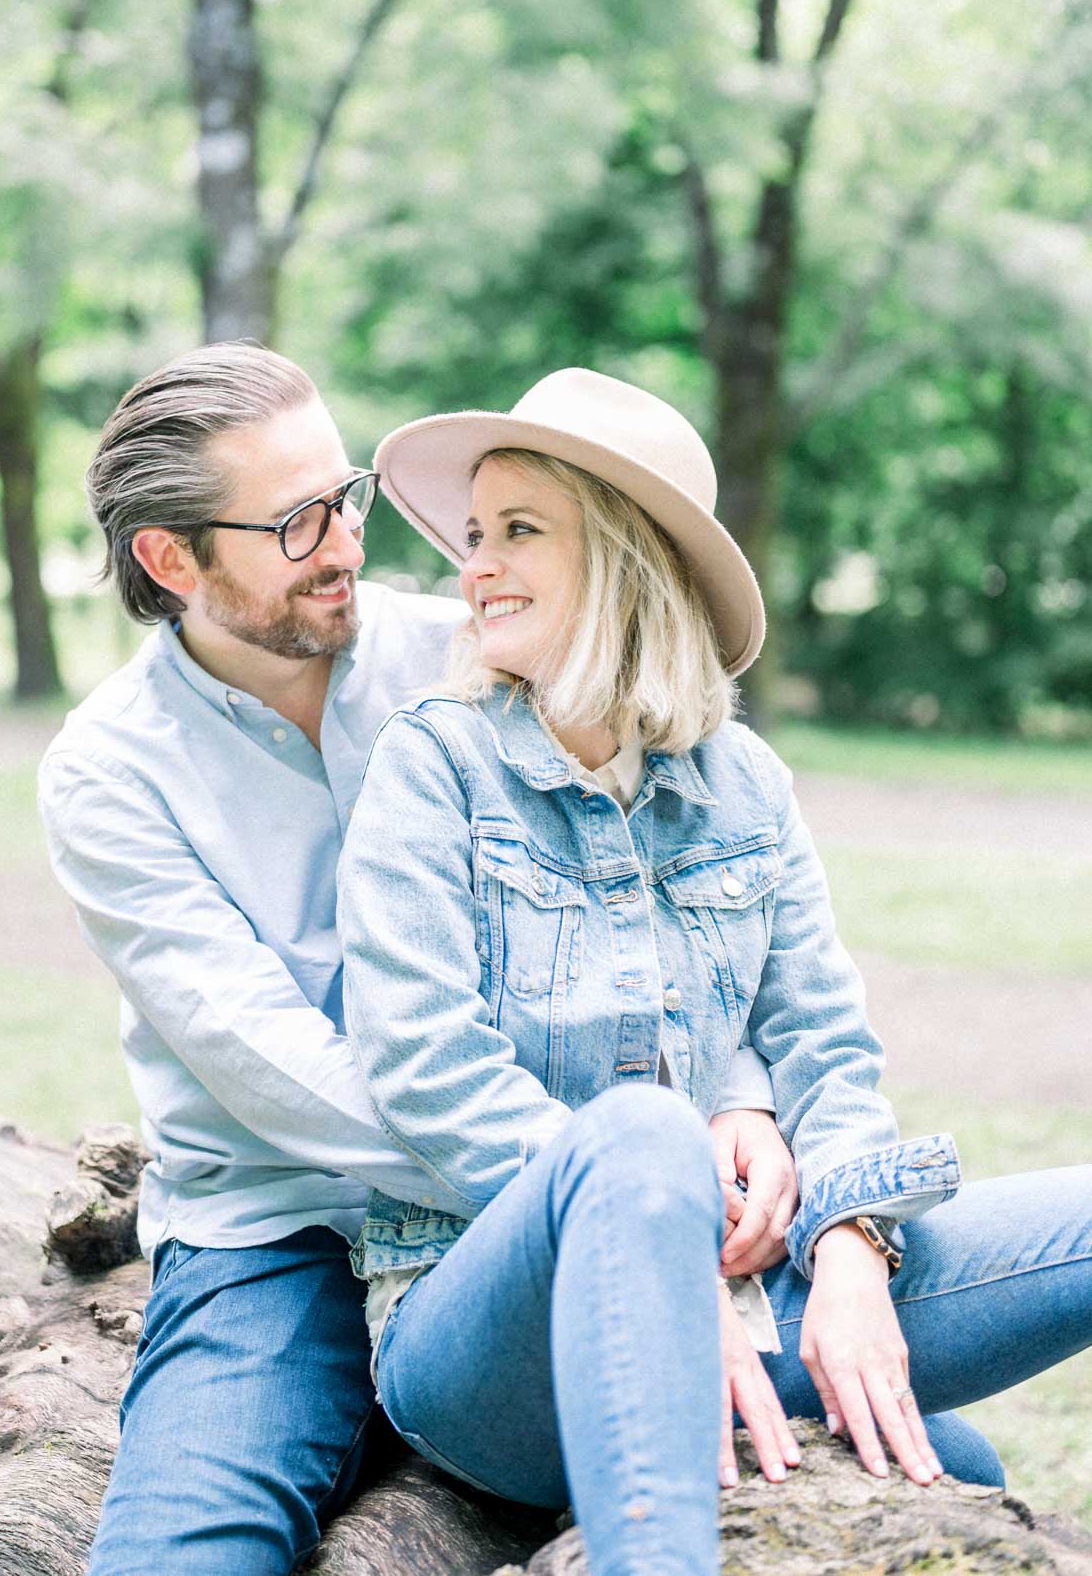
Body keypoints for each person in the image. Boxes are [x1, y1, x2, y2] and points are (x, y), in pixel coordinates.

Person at [38, 342, 814, 1575]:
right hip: (281, 1228)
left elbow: (688, 909)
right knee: (180, 1553)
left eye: (341, 497)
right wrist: (594, 1192)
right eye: (295, 523)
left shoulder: (472, 648)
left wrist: (732, 1103)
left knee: (918, 1470)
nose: (347, 543)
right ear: (171, 558)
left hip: (549, 1203)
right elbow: (276, 1071)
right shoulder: (110, 775)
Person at [336, 367, 1090, 1576]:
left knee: (976, 1439)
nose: (474, 564)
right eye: (474, 534)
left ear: (633, 559)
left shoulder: (745, 784)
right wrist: (665, 1254)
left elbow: (826, 1046)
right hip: (482, 1341)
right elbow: (424, 1066)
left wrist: (850, 1249)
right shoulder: (435, 767)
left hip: (755, 1297)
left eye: (519, 530)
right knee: (638, 1132)